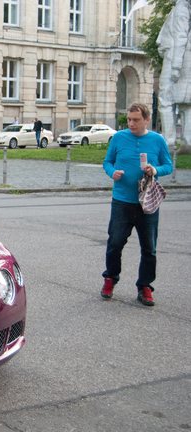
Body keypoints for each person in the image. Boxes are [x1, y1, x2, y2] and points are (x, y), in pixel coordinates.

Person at [100, 103, 173, 307]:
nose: (131, 123)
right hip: (122, 201)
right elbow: (107, 162)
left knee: (149, 248)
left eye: (136, 120)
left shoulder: (157, 140)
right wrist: (111, 172)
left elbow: (168, 165)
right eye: (129, 119)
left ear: (146, 120)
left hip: (147, 203)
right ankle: (110, 279)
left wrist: (155, 170)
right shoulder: (119, 138)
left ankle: (145, 287)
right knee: (115, 243)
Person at [156, 0, 191, 147]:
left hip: (174, 59)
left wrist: (176, 66)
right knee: (186, 104)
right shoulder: (184, 7)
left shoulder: (181, 8)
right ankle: (188, 140)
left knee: (165, 100)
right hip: (183, 59)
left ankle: (168, 140)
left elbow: (180, 36)